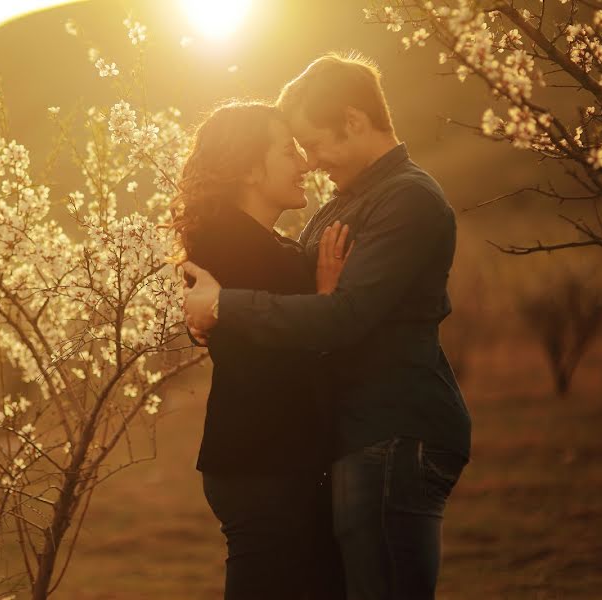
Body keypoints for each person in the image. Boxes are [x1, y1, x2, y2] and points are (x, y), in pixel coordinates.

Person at [181, 53, 472, 600]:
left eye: (311, 144)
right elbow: (277, 314)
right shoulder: (348, 202)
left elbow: (344, 314)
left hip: (394, 428)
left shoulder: (407, 198)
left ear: (355, 123)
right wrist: (214, 311)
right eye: (295, 150)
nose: (309, 162)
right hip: (334, 441)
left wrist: (225, 306)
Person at [172, 100, 347, 600]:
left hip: (264, 458)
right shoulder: (239, 247)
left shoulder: (253, 243)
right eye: (288, 151)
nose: (303, 163)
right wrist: (328, 299)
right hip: (263, 463)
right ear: (250, 168)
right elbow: (293, 349)